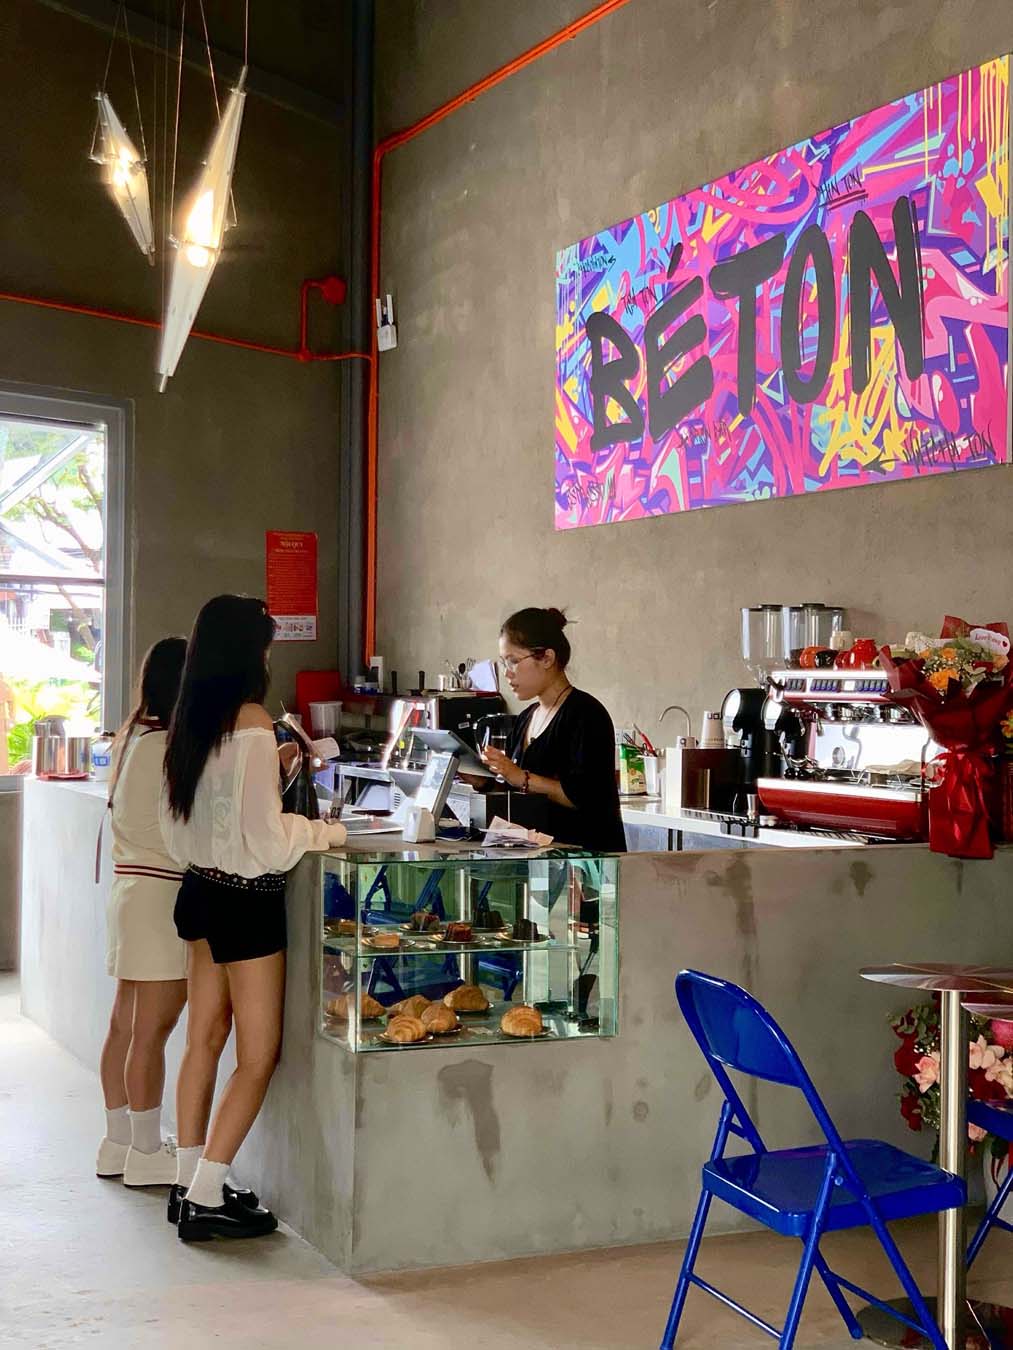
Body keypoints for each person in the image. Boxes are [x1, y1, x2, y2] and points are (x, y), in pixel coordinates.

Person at [161, 595, 346, 1242]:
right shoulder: (252, 721)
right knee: (258, 1054)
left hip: (199, 891)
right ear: (249, 652)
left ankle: (188, 1180)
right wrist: (324, 832)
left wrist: (273, 770)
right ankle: (207, 1193)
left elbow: (187, 822)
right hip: (246, 901)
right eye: (266, 646)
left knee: (203, 1039)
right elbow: (266, 840)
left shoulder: (190, 719)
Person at [96, 637, 189, 1187]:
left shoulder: (133, 735)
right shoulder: (171, 747)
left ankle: (119, 1142)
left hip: (130, 892)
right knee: (151, 1031)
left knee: (124, 1026)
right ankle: (148, 1150)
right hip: (160, 897)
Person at [481, 607, 626, 852]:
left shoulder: (586, 714)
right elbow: (517, 796)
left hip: (585, 859)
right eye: (504, 662)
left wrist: (522, 777)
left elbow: (584, 797)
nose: (507, 673)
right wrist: (484, 782)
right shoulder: (526, 718)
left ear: (547, 658)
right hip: (540, 859)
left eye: (514, 661)